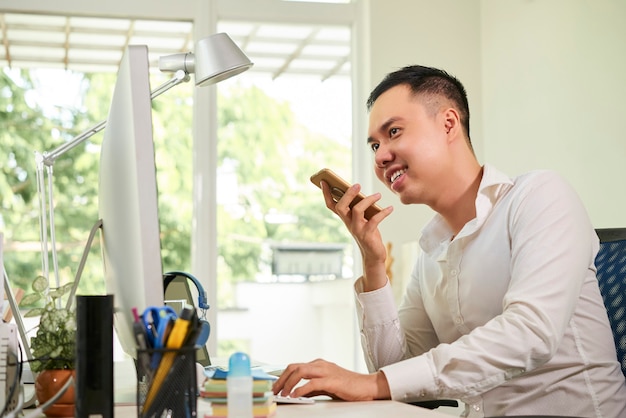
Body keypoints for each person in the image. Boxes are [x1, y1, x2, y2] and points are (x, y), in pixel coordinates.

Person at [272, 65, 626, 417]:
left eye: (394, 132)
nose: (380, 156)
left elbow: (531, 333)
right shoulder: (431, 251)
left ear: (449, 123)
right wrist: (374, 263)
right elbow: (398, 370)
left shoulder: (540, 196)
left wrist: (372, 383)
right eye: (375, 144)